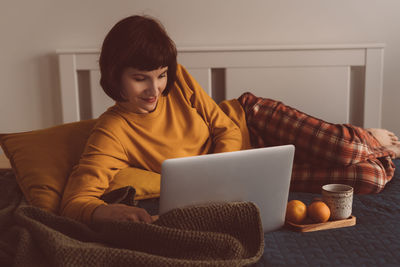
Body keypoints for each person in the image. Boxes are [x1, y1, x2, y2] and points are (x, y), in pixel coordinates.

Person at [60, 15, 400, 225]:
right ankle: (370, 149)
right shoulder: (111, 132)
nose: (155, 89)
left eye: (161, 75)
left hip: (252, 119)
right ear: (114, 76)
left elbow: (223, 125)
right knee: (370, 178)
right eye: (141, 79)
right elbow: (74, 202)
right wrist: (104, 212)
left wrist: (220, 167)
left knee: (344, 148)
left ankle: (364, 137)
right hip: (243, 172)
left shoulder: (177, 84)